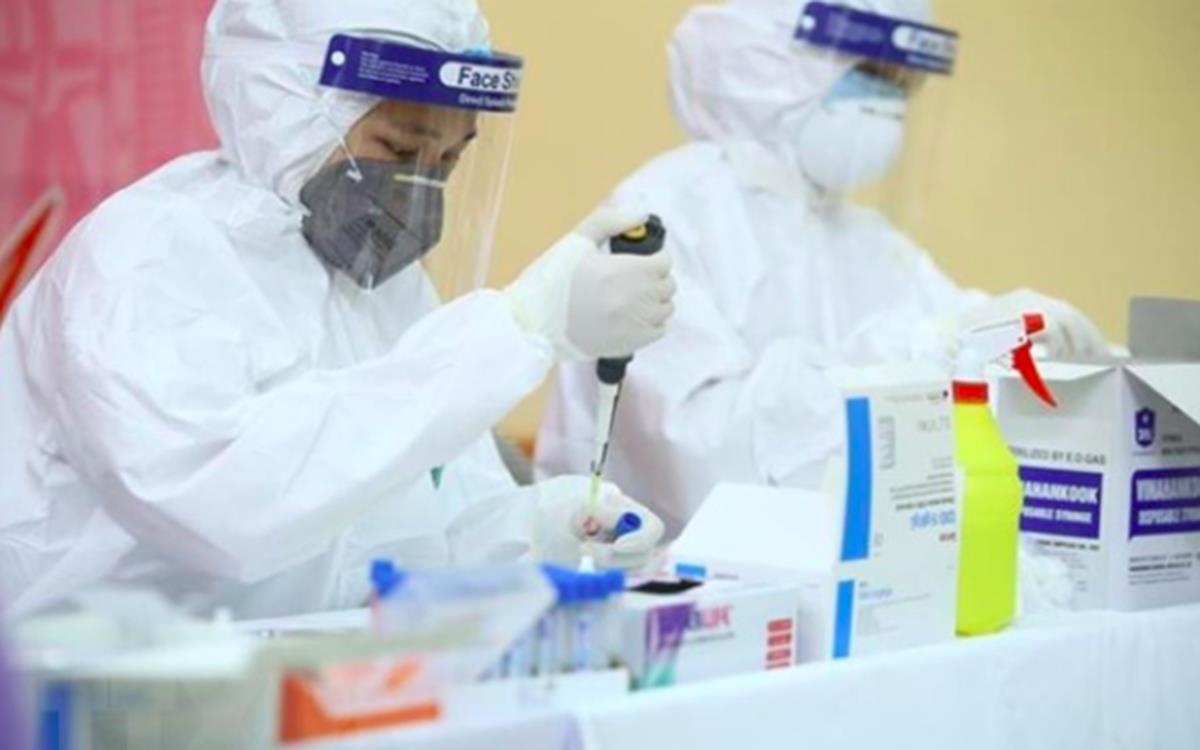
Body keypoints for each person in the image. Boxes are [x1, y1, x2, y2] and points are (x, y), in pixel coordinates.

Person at [0, 0, 672, 619]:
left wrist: (536, 529)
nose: (418, 188)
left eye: (446, 160)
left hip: (303, 679)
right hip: (95, 687)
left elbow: (412, 525)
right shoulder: (145, 258)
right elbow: (223, 510)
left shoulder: (382, 288)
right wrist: (519, 328)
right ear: (290, 107)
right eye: (400, 149)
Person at [537, 0, 1108, 539]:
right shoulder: (668, 213)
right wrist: (919, 354)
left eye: (903, 83)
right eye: (873, 75)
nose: (892, 103)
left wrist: (1023, 343)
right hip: (656, 582)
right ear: (770, 64)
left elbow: (960, 336)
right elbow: (703, 459)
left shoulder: (864, 238)